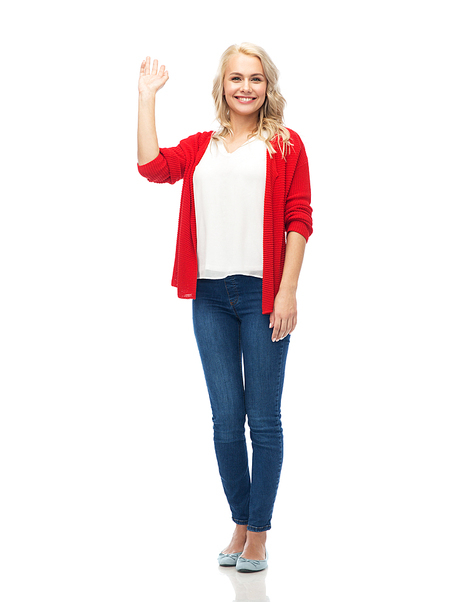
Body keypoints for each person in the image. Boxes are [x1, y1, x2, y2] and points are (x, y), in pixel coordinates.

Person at [137, 43, 312, 572]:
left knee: (264, 420)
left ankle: (259, 533)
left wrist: (287, 290)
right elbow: (151, 166)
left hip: (263, 296)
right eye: (236, 78)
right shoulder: (201, 146)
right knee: (224, 421)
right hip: (210, 297)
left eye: (255, 79)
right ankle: (241, 520)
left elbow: (299, 219)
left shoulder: (285, 145)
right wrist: (146, 98)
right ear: (223, 85)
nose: (245, 87)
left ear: (267, 86)